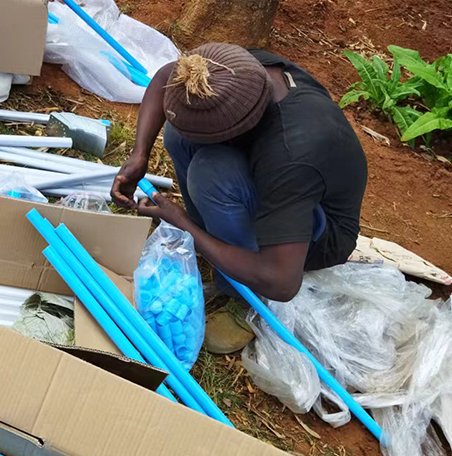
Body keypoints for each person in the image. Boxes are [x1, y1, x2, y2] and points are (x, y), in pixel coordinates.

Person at [111, 43, 368, 354]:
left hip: (318, 233)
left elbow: (282, 282)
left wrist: (184, 224)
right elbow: (168, 76)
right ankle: (217, 240)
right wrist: (140, 153)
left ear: (236, 131)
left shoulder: (290, 155)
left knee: (211, 174)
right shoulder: (235, 71)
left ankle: (245, 299)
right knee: (180, 134)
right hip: (281, 182)